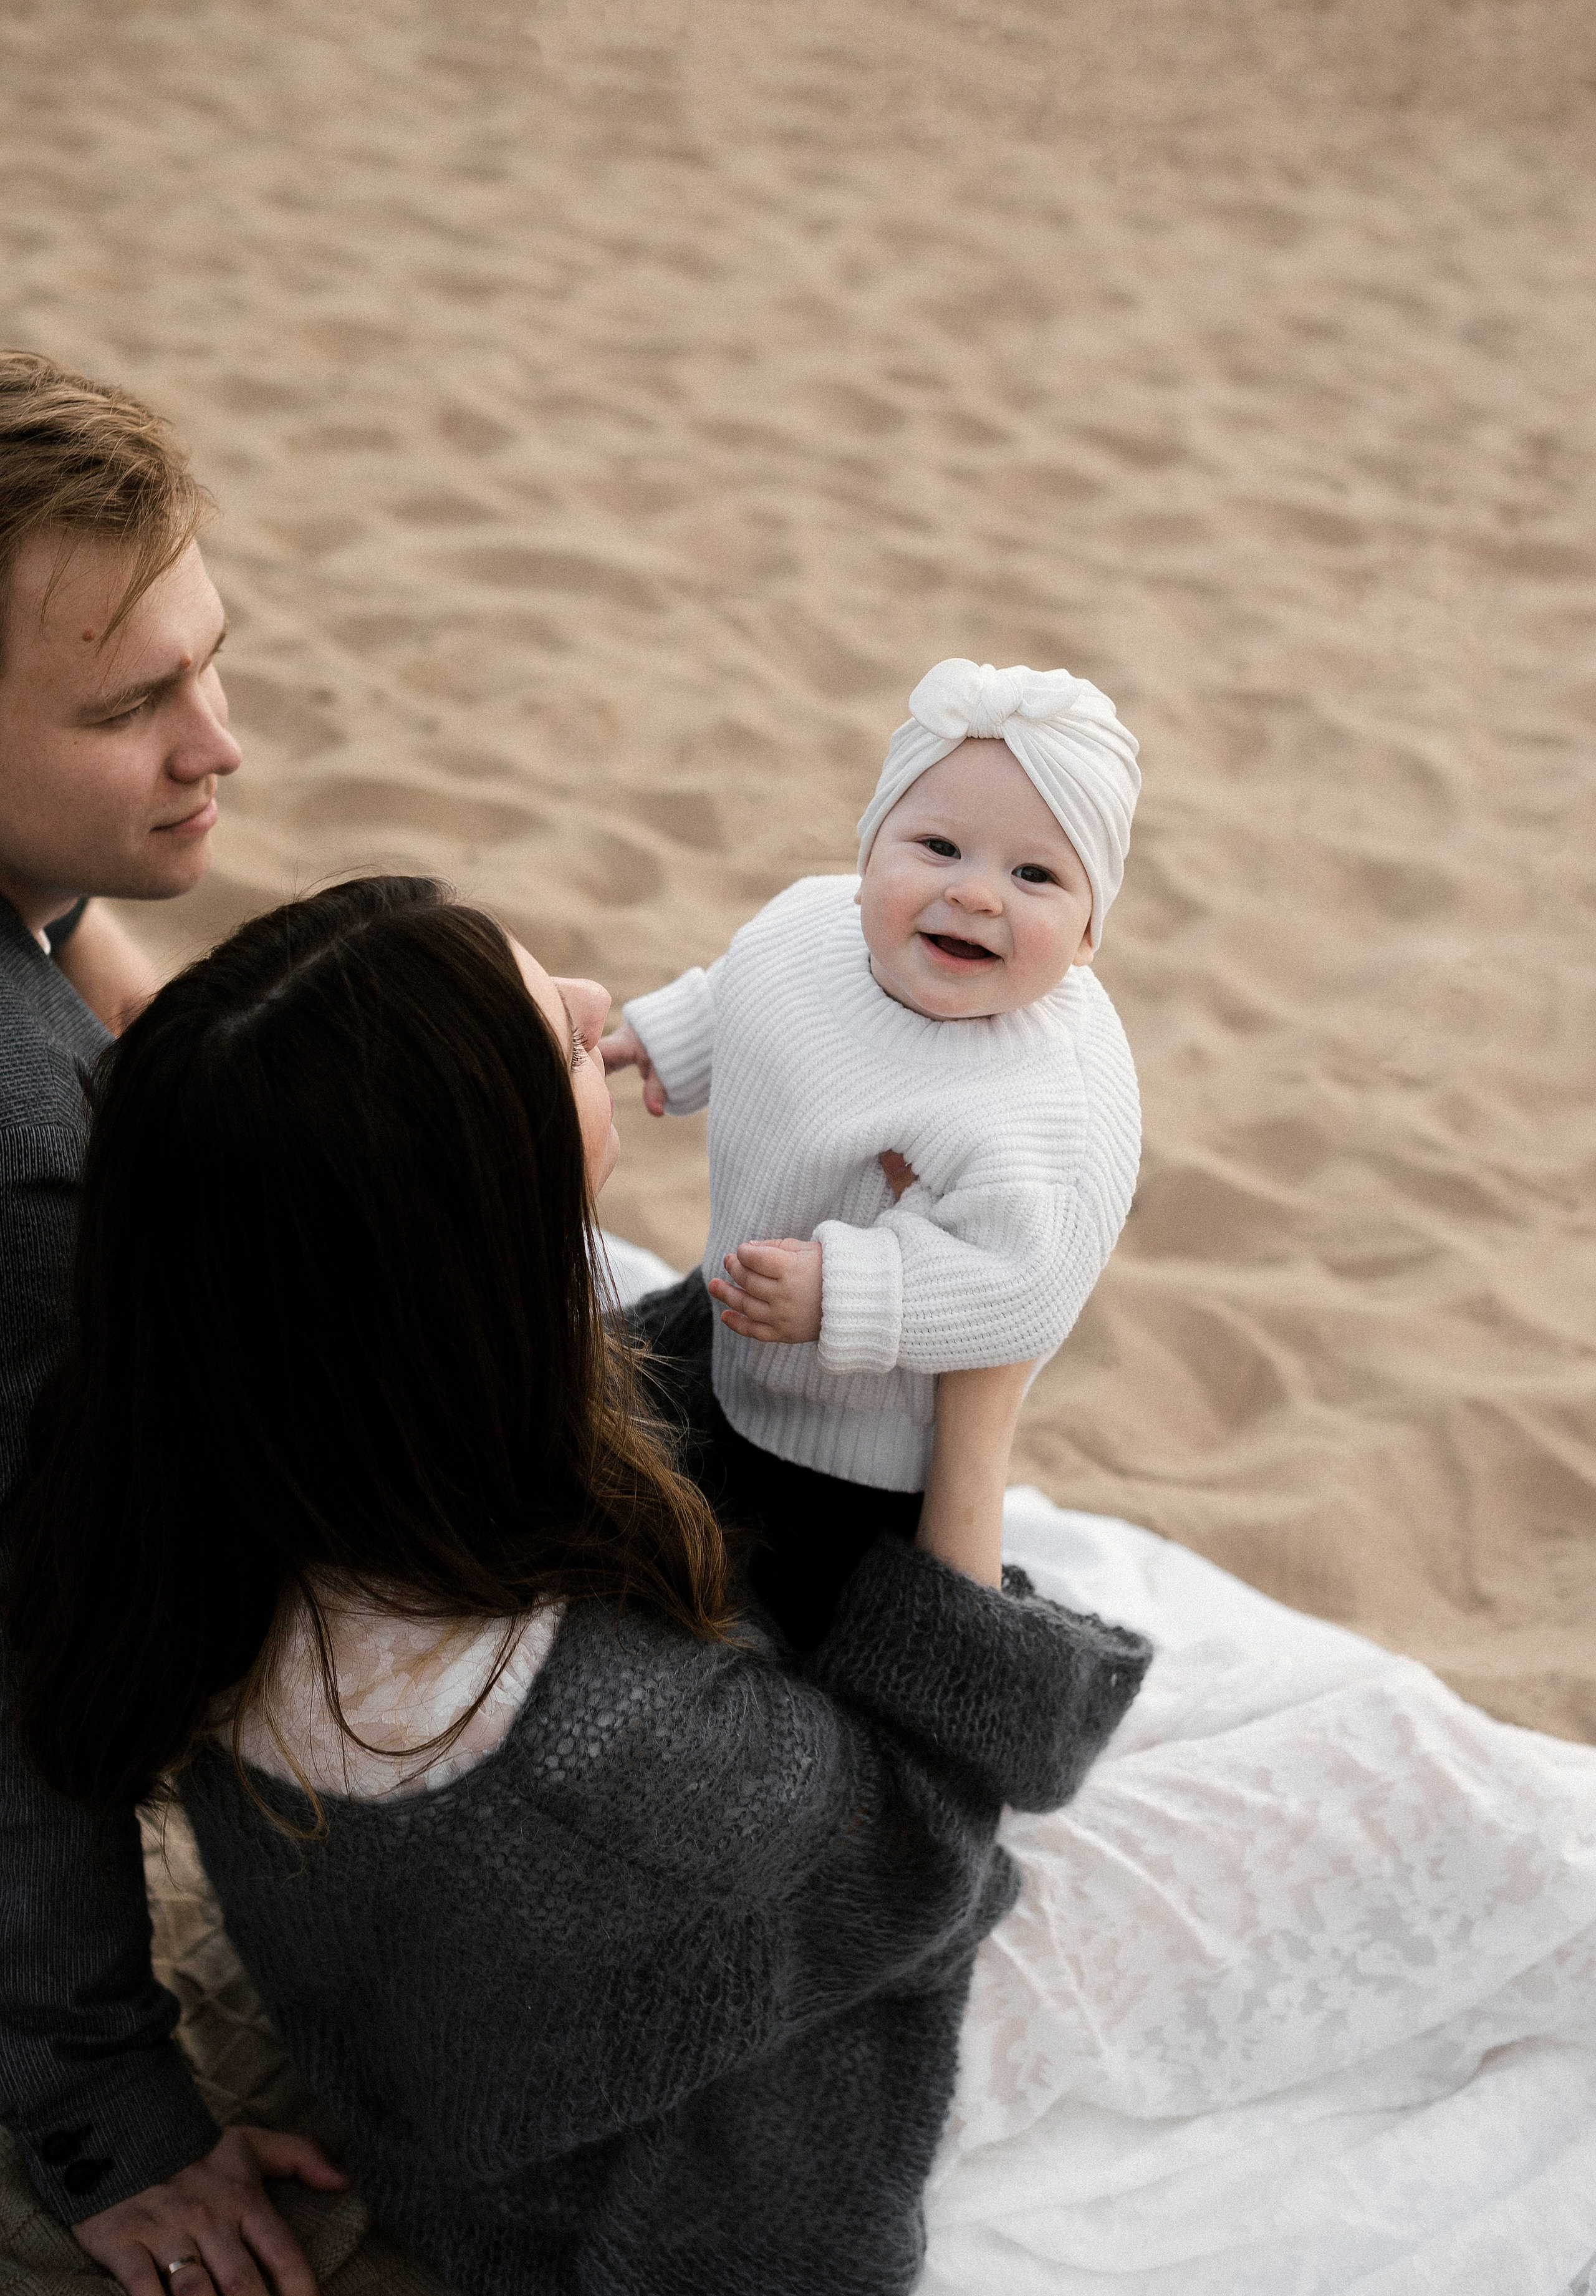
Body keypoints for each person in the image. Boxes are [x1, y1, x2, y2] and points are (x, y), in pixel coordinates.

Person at [4, 874, 1152, 2296]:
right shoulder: (599, 1745)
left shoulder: (235, 1457)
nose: (598, 1004)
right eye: (555, 1035)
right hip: (619, 2181)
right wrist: (985, 1392)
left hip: (444, 2027)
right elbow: (924, 1836)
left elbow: (632, 1399)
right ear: (477, 1231)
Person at [0, 350, 347, 2296]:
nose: (220, 745)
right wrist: (103, 2105)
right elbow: (15, 1664)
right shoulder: (29, 1179)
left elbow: (61, 936)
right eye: (132, 708)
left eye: (209, 664)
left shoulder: (32, 863)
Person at [600, 657, 1142, 1645]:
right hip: (730, 1343)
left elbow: (1021, 1280)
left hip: (861, 1464)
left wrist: (848, 1290)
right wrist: (668, 1033)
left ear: (1088, 936)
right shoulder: (808, 926)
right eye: (938, 846)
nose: (976, 894)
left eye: (1034, 875)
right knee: (627, 1485)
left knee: (772, 1620)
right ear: (868, 853)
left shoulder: (1044, 1099)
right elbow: (749, 995)